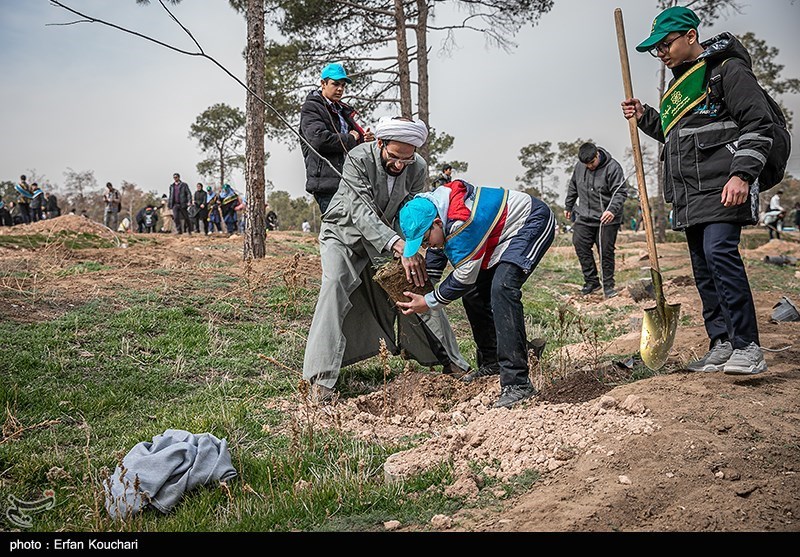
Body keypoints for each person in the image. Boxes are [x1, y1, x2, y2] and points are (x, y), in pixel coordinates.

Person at [621, 5, 772, 375]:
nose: (661, 53)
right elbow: (678, 137)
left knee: (720, 255)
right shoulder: (677, 86)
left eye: (665, 44)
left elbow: (758, 125)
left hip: (723, 186)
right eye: (656, 49)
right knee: (703, 268)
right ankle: (721, 342)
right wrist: (646, 119)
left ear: (690, 36)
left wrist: (742, 174)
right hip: (688, 194)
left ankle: (748, 345)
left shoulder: (726, 71)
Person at [302, 116, 469, 403]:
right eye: (394, 157)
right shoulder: (357, 158)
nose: (400, 165)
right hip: (344, 234)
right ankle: (321, 381)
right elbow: (360, 212)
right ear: (379, 143)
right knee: (335, 285)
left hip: (389, 237)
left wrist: (411, 250)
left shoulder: (417, 167)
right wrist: (398, 246)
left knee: (416, 282)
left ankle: (454, 364)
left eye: (407, 158)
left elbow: (412, 211)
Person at [396, 179, 556, 408]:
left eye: (424, 240)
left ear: (437, 223)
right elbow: (439, 249)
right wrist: (421, 282)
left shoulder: (463, 222)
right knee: (473, 295)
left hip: (530, 222)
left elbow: (464, 277)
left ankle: (517, 383)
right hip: (497, 234)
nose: (426, 247)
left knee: (503, 289)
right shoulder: (436, 209)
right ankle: (492, 361)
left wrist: (428, 301)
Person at [299, 62, 375, 214]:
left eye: (343, 85)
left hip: (350, 180)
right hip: (327, 183)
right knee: (335, 230)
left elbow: (350, 141)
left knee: (352, 230)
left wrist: (363, 140)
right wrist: (352, 139)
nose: (340, 89)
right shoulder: (311, 108)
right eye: (335, 84)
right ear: (323, 83)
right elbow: (319, 140)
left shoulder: (342, 110)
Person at [564, 143, 629, 299]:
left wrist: (611, 210)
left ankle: (608, 286)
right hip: (584, 216)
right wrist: (569, 205)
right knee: (579, 243)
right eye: (586, 164)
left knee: (605, 251)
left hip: (606, 218)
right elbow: (573, 186)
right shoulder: (580, 167)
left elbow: (620, 193)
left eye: (592, 163)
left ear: (597, 155)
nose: (589, 167)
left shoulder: (613, 168)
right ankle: (592, 282)